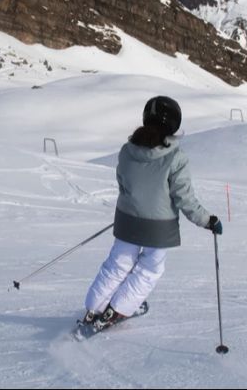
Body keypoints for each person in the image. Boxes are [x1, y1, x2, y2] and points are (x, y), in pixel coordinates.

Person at [81, 96, 223, 330]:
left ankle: (93, 308)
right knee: (149, 269)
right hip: (159, 227)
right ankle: (118, 310)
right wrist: (207, 220)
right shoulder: (175, 157)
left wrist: (134, 207)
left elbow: (123, 183)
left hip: (128, 220)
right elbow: (184, 197)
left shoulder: (127, 151)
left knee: (118, 263)